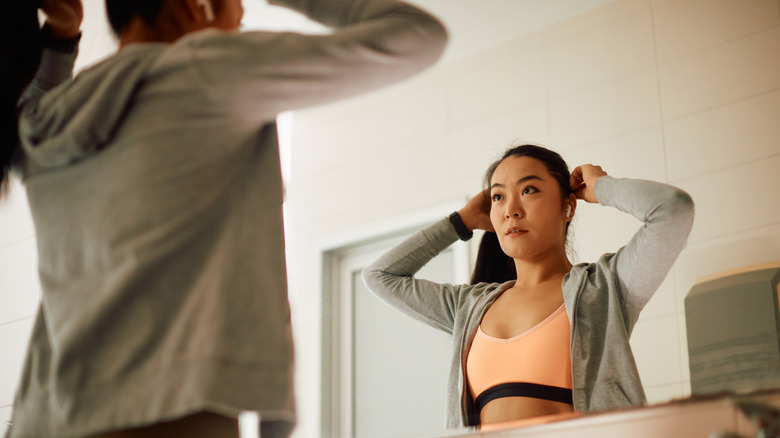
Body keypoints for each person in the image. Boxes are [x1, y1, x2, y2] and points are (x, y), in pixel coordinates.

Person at [2, 0, 447, 436]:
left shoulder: (49, 119)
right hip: (164, 409)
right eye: (238, 17)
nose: (237, 30)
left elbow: (28, 113)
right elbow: (415, 35)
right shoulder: (201, 69)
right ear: (194, 7)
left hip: (45, 414)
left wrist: (59, 41)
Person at [362, 144, 695, 429]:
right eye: (498, 197)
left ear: (568, 206)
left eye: (528, 190)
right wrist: (461, 222)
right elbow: (379, 275)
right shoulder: (469, 307)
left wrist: (600, 186)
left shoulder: (606, 288)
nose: (511, 210)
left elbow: (672, 210)